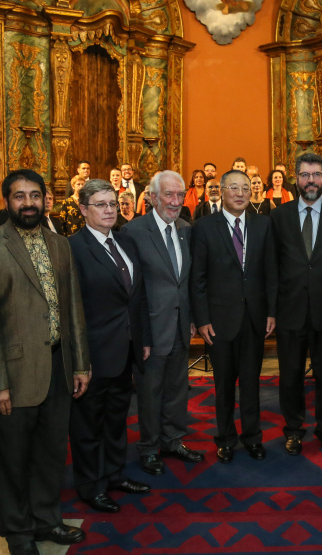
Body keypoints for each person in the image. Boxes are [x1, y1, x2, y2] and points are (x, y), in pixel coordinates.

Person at [0, 169, 91, 555]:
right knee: (12, 459)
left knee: (51, 452)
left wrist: (80, 364)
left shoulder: (60, 245)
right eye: (19, 196)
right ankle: (19, 534)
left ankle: (47, 519)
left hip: (57, 365)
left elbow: (73, 307)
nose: (28, 203)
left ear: (45, 200)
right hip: (13, 371)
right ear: (6, 201)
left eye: (34, 195)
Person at [68, 180, 152, 513]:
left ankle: (115, 475)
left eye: (113, 204)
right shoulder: (72, 248)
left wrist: (141, 339)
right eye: (100, 204)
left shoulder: (126, 242)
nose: (108, 210)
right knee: (88, 425)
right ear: (83, 209)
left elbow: (138, 296)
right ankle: (91, 486)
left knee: (117, 420)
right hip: (92, 353)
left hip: (126, 349)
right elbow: (70, 306)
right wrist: (78, 358)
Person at [118, 170, 205, 476]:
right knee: (150, 392)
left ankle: (173, 440)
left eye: (180, 195)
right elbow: (131, 289)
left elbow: (188, 281)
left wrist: (192, 318)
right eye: (168, 194)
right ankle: (149, 447)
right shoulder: (133, 232)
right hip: (151, 329)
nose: (175, 201)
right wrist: (138, 332)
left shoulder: (185, 228)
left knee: (178, 389)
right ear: (152, 197)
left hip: (181, 325)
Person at [191, 170, 278, 462]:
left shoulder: (264, 225)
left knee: (252, 384)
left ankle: (252, 437)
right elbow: (198, 278)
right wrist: (202, 319)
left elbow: (271, 274)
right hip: (218, 322)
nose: (241, 193)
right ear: (222, 191)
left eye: (245, 188)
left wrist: (271, 312)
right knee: (224, 385)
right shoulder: (203, 227)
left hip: (254, 319)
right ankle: (225, 439)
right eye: (234, 188)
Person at [271, 153, 322, 456]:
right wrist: (272, 311)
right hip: (289, 311)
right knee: (290, 375)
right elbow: (272, 266)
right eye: (305, 175)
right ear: (296, 178)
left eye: (317, 175)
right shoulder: (279, 215)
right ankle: (293, 429)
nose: (311, 181)